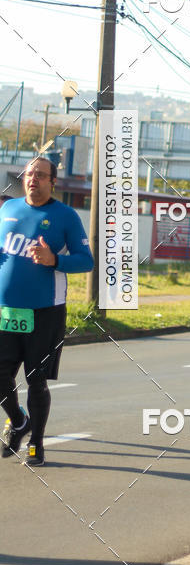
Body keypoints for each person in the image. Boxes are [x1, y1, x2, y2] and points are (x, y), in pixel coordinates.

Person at [0, 157, 94, 467]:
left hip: (45, 312)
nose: (33, 179)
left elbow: (86, 261)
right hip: (6, 311)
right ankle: (18, 421)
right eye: (29, 174)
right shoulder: (8, 209)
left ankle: (36, 443)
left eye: (41, 175)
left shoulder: (64, 216)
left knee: (35, 379)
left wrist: (55, 260)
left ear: (53, 181)